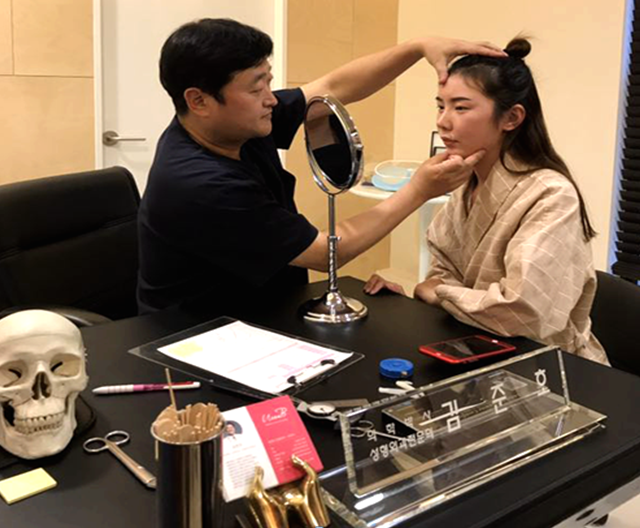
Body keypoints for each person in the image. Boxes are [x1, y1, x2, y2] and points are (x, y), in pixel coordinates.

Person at [137, 18, 506, 315]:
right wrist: (420, 190)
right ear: (199, 101)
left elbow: (335, 86)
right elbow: (324, 252)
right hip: (197, 332)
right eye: (255, 89)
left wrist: (417, 46)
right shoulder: (198, 183)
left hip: (268, 305)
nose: (271, 100)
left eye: (268, 83)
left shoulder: (234, 125)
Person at [365, 37, 608, 365]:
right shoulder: (466, 185)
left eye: (461, 107)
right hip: (477, 347)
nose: (443, 121)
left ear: (511, 118)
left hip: (549, 366)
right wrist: (422, 294)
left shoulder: (551, 194)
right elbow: (442, 273)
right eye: (441, 106)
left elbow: (522, 312)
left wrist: (437, 294)